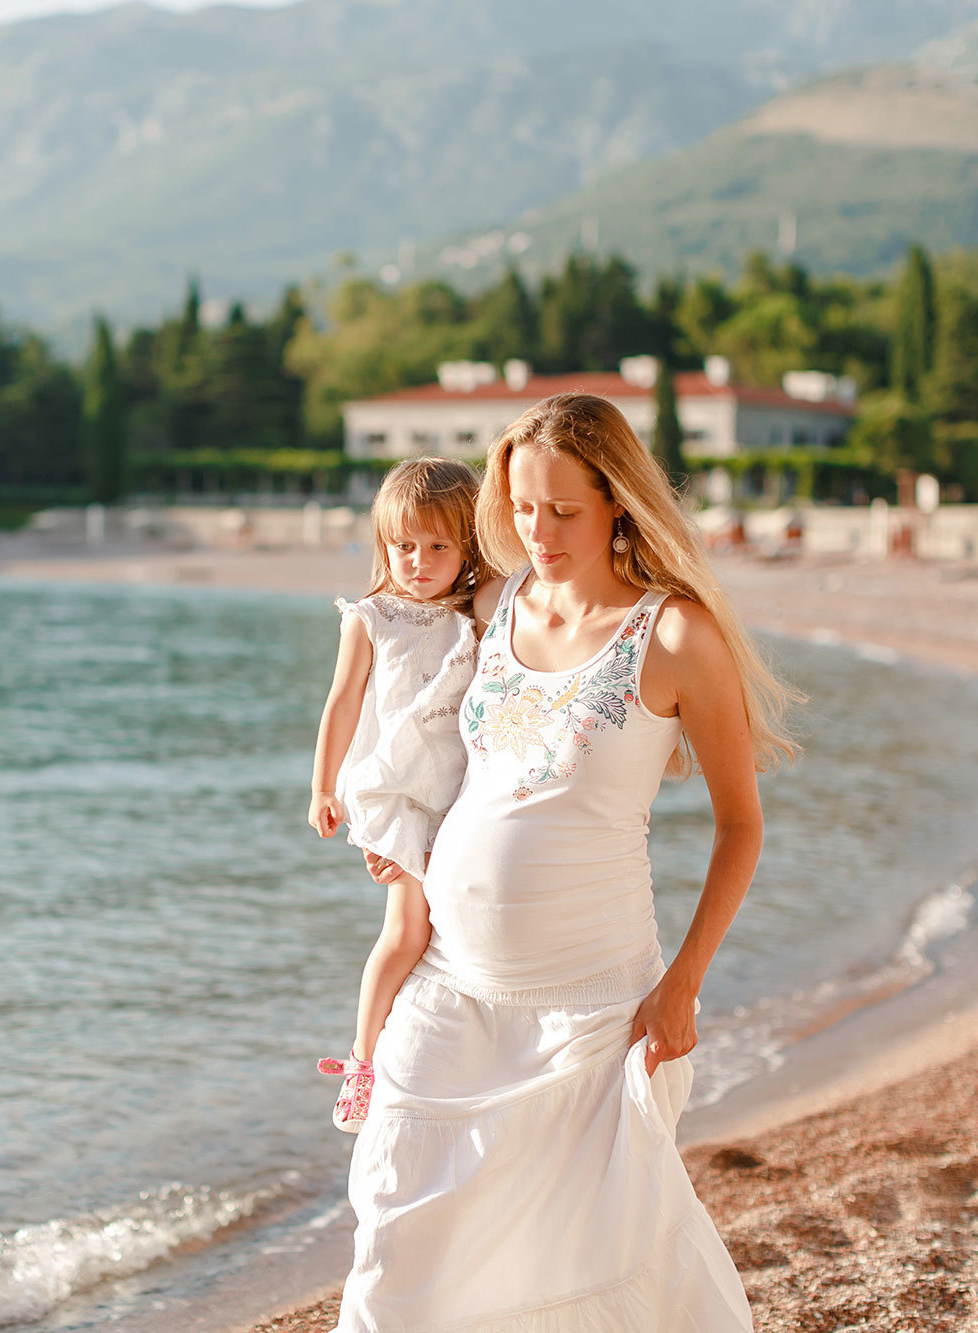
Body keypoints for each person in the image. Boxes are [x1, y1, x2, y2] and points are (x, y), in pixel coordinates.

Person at [335, 393, 800, 1330]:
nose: (535, 533)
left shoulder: (672, 637)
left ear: (619, 501)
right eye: (518, 509)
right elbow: (393, 650)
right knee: (398, 1239)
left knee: (584, 1266)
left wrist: (682, 986)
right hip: (449, 986)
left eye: (562, 510)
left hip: (591, 1009)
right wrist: (397, 822)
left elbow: (740, 826)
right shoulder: (496, 601)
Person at [308, 457, 490, 1133]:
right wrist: (322, 786)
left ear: (468, 546)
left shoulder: (475, 612)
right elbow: (341, 703)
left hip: (462, 793)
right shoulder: (373, 617)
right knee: (409, 927)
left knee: (451, 922)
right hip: (401, 792)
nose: (419, 560)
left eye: (439, 545)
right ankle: (363, 1060)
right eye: (403, 545)